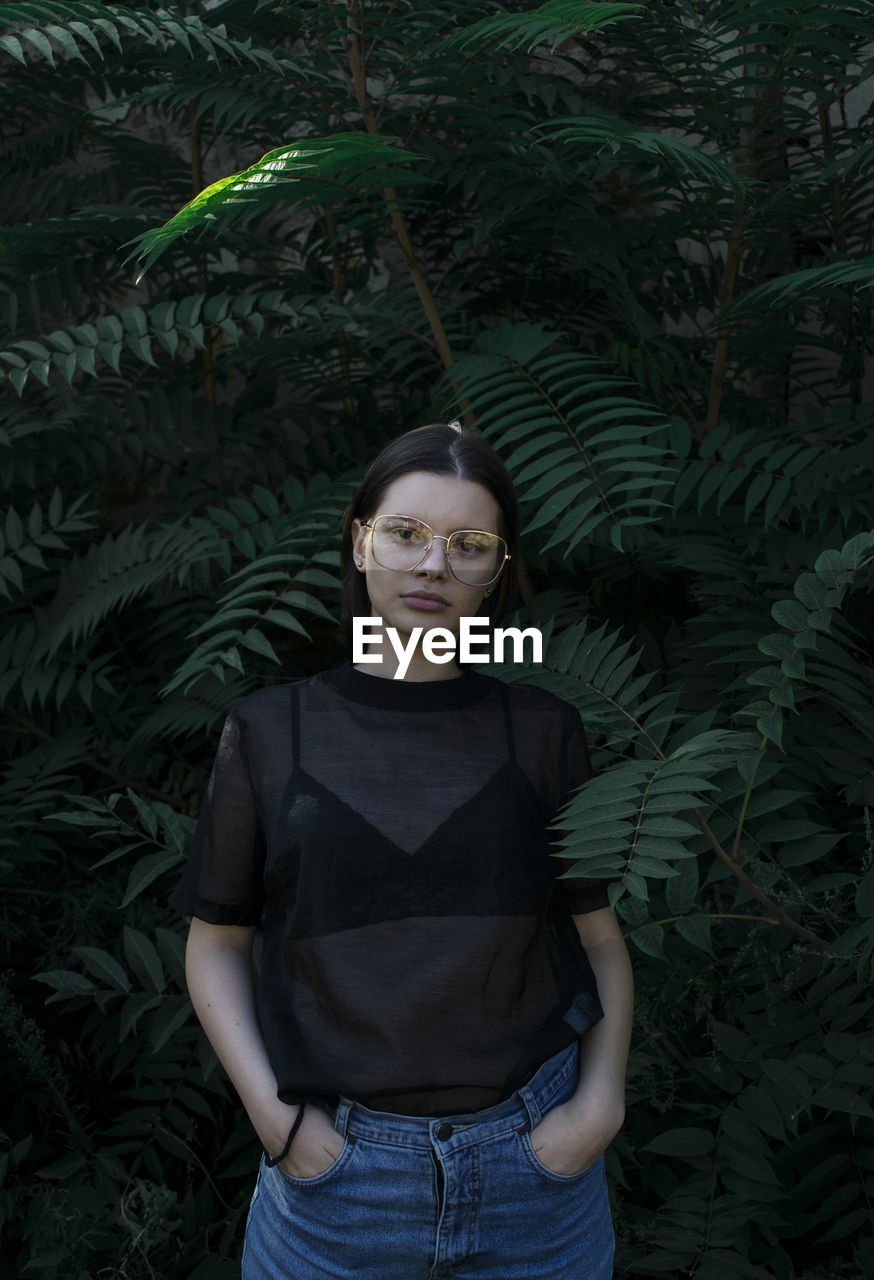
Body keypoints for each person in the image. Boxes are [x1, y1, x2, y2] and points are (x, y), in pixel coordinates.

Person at [169, 421, 634, 1278]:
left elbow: (597, 936)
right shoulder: (269, 734)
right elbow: (215, 945)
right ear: (359, 540)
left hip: (536, 1169)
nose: (433, 566)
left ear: (496, 567)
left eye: (470, 544)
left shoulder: (541, 732)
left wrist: (597, 1106)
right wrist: (281, 1127)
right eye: (408, 533)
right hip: (336, 1185)